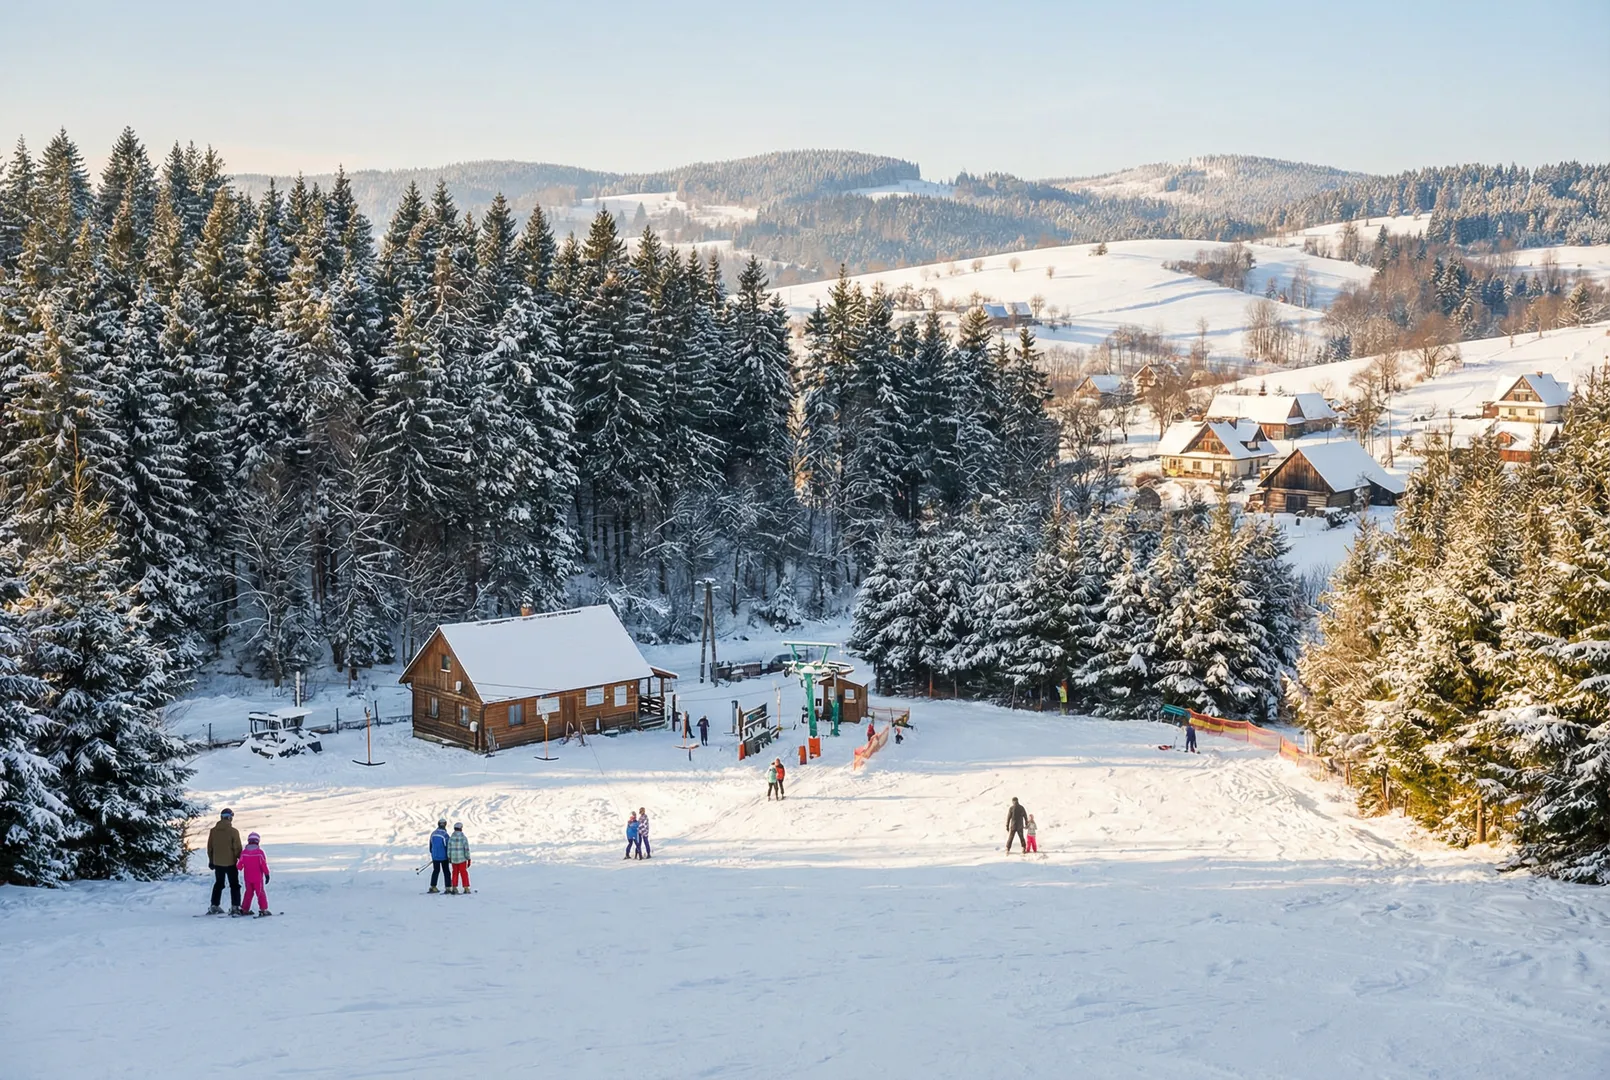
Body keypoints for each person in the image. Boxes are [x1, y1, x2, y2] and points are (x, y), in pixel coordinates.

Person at [206, 808, 243, 915]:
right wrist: (240, 859)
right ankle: (235, 906)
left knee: (219, 884)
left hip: (217, 862)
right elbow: (237, 848)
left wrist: (211, 860)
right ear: (230, 817)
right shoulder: (234, 832)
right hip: (231, 862)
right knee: (234, 885)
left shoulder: (213, 831)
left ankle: (214, 905)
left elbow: (210, 848)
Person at [236, 831, 271, 917]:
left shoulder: (244, 853)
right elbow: (263, 865)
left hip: (247, 877)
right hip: (257, 877)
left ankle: (245, 909)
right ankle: (263, 909)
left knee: (248, 893)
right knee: (260, 892)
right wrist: (267, 874)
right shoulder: (259, 853)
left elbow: (239, 866)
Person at [446, 822, 471, 893]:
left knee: (455, 873)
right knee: (464, 873)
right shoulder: (463, 838)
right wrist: (468, 858)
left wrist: (449, 857)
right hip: (462, 859)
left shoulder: (451, 838)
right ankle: (466, 888)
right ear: (461, 829)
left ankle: (454, 887)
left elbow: (449, 848)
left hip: (454, 859)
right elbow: (466, 849)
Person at [428, 818, 451, 893]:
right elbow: (448, 846)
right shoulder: (445, 834)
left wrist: (433, 854)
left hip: (435, 856)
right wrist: (449, 856)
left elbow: (430, 845)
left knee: (436, 871)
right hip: (444, 856)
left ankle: (433, 886)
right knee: (446, 871)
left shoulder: (433, 833)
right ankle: (448, 887)